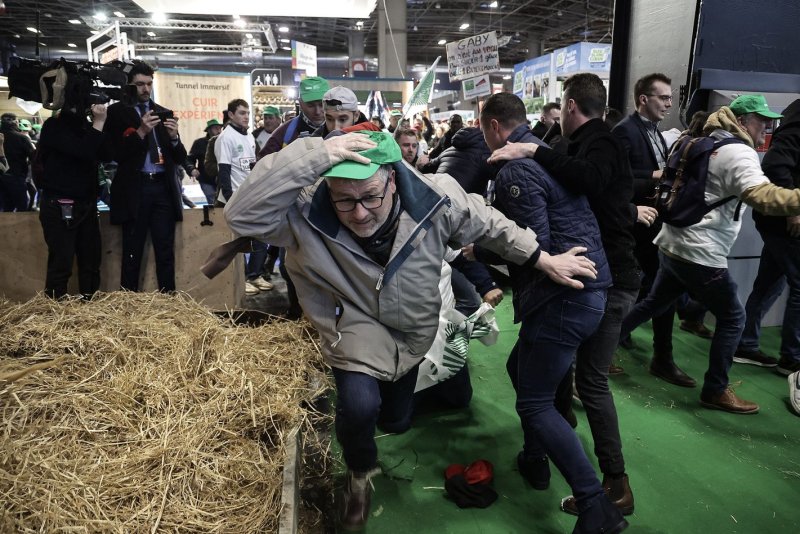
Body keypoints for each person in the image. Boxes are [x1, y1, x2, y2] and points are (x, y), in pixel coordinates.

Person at [213, 130, 599, 531]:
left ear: (393, 179)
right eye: (344, 200)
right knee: (359, 407)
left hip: (413, 329)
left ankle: (386, 425)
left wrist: (542, 259)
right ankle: (359, 478)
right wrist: (314, 155)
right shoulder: (305, 209)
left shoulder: (435, 198)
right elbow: (242, 215)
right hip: (352, 326)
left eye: (370, 197)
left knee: (395, 421)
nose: (360, 213)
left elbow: (490, 226)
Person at [489, 73, 642, 517]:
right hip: (594, 278)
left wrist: (481, 247)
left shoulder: (562, 153)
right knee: (532, 375)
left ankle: (600, 499)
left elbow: (532, 237)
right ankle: (541, 454)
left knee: (558, 394)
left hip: (579, 285)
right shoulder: (561, 154)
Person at [618, 94, 800, 413]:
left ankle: (597, 348)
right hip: (701, 252)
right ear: (741, 121)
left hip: (672, 241)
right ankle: (715, 389)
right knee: (733, 317)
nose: (768, 126)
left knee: (652, 304)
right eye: (761, 120)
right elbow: (765, 198)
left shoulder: (699, 139)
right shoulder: (738, 153)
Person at [611, 73, 699, 384]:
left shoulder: (655, 132)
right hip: (636, 225)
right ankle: (636, 351)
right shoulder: (624, 132)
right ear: (643, 99)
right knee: (640, 290)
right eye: (663, 97)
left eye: (670, 97)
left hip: (655, 223)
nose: (670, 103)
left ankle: (648, 351)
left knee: (655, 291)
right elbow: (615, 183)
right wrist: (656, 175)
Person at [104, 60, 187, 292]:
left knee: (165, 249)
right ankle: (129, 303)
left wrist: (174, 137)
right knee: (132, 250)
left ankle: (169, 301)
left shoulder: (160, 111)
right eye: (140, 84)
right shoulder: (117, 113)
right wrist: (140, 132)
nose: (146, 89)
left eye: (149, 84)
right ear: (129, 85)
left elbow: (180, 156)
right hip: (135, 188)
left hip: (162, 188)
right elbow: (115, 154)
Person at [734, 98, 800, 375]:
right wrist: (792, 211)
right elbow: (775, 165)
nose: (767, 126)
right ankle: (792, 359)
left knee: (771, 281)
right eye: (761, 120)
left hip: (779, 218)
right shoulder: (798, 117)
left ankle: (746, 344)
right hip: (784, 219)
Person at [37, 104, 111, 299]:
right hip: (59, 203)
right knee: (61, 263)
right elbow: (84, 151)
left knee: (91, 263)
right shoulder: (54, 126)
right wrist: (99, 122)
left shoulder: (87, 128)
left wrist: (101, 124)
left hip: (86, 202)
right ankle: (55, 312)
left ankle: (91, 308)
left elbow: (106, 154)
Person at [214, 98, 271, 296]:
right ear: (230, 115)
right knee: (236, 242)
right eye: (241, 113)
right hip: (234, 198)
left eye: (247, 113)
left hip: (251, 196)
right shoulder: (225, 138)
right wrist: (230, 200)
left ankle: (254, 275)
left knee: (261, 237)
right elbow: (223, 172)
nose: (246, 117)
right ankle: (239, 279)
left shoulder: (248, 137)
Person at [258, 76, 329, 159]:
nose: (317, 111)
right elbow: (261, 166)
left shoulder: (339, 128)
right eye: (311, 105)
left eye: (322, 105)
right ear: (300, 103)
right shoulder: (283, 134)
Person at [0, 112, 35, 212]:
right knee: (22, 207)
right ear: (15, 122)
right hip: (16, 176)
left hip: (2, 177)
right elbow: (33, 157)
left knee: (5, 208)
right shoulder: (21, 138)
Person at [186, 118, 222, 205]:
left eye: (219, 128)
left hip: (222, 178)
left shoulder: (224, 140)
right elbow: (190, 159)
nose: (219, 130)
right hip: (206, 179)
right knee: (213, 203)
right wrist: (192, 169)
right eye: (215, 128)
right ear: (209, 130)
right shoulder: (199, 143)